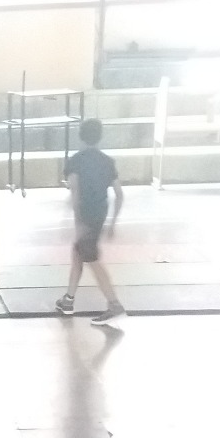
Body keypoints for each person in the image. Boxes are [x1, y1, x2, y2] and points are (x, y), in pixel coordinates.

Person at [56, 118, 127, 325]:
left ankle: (114, 305)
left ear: (81, 136)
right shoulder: (107, 161)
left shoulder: (75, 161)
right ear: (100, 136)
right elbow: (119, 194)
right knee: (78, 254)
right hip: (100, 214)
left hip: (85, 217)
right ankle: (68, 300)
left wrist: (76, 221)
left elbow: (75, 191)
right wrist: (112, 223)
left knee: (93, 260)